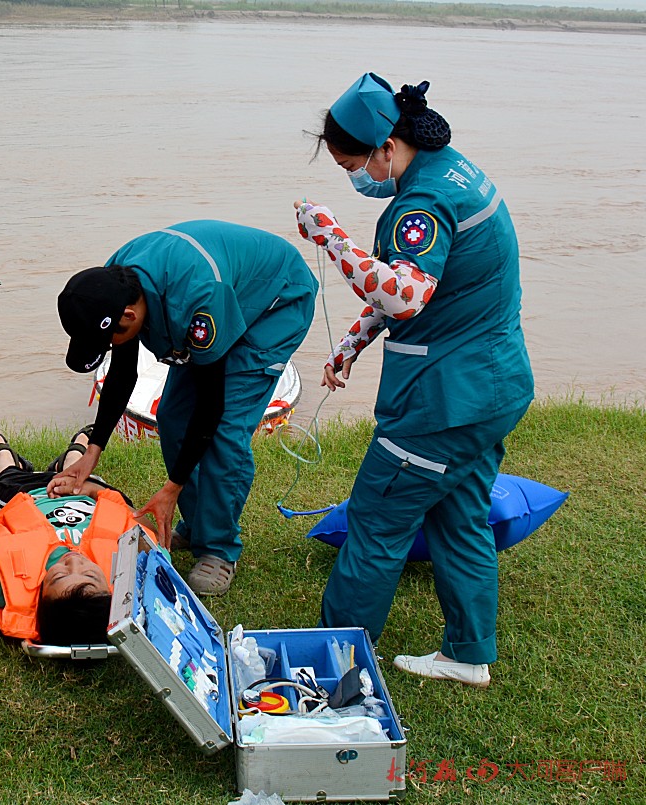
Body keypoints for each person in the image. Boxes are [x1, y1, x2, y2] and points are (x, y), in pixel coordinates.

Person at [297, 74, 533, 687]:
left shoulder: (421, 206)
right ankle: (468, 654)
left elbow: (403, 294)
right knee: (458, 513)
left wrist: (330, 235)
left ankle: (332, 666)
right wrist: (349, 344)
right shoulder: (456, 172)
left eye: (353, 163)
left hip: (443, 399)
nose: (355, 177)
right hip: (493, 388)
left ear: (386, 146)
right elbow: (433, 289)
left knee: (378, 520)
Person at [52, 221, 317, 596]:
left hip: (274, 302)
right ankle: (197, 528)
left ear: (130, 316)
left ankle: (220, 549)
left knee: (225, 430)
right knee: (173, 416)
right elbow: (122, 374)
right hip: (225, 294)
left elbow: (211, 403)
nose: (111, 346)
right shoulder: (114, 281)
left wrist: (171, 487)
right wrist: (93, 450)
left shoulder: (197, 304)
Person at [0, 429, 149, 647]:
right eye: (89, 574)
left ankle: (0, 449)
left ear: (39, 599)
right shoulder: (128, 578)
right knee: (79, 472)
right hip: (86, 495)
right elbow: (149, 531)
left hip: (27, 494)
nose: (73, 562)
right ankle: (76, 452)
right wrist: (91, 490)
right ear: (111, 592)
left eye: (60, 576)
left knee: (7, 476)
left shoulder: (6, 588)